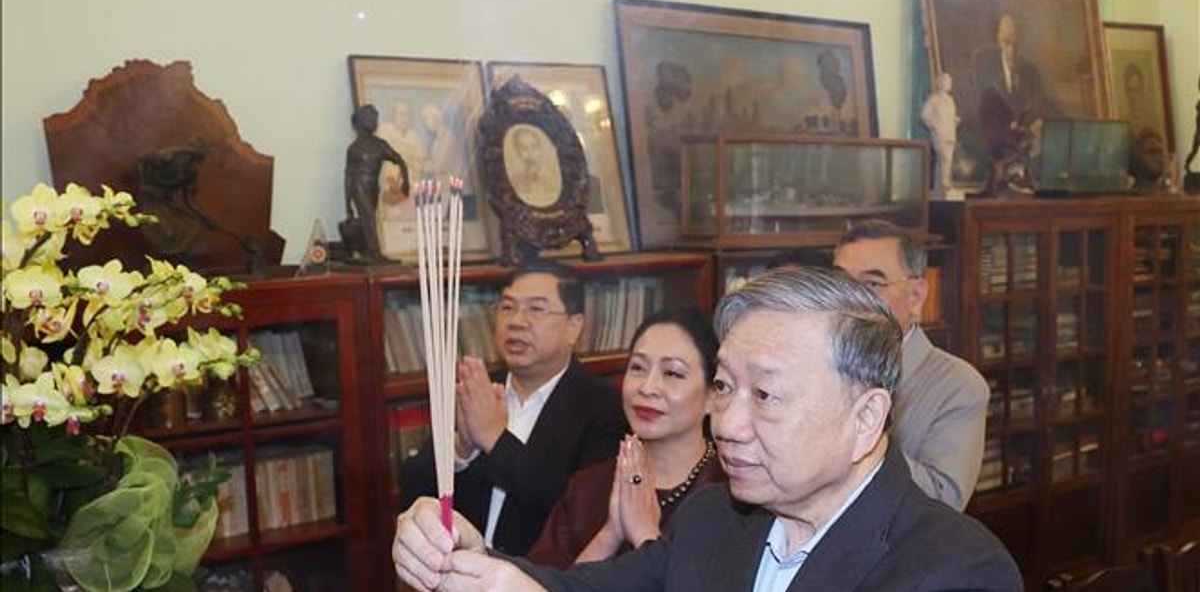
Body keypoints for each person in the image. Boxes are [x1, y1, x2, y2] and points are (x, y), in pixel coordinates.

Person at [393, 266, 1023, 592]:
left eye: (767, 395)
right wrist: (477, 565)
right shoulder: (715, 518)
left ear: (866, 420)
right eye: (723, 386)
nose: (729, 424)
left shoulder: (953, 569)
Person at [398, 260, 627, 557]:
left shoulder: (604, 408)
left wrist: (494, 439)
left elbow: (580, 512)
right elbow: (412, 486)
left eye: (536, 308)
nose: (517, 321)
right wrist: (461, 448)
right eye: (507, 307)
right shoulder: (479, 389)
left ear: (574, 327)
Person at [526, 308, 725, 568]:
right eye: (638, 368)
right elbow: (539, 583)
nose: (647, 387)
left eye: (672, 373)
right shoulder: (588, 487)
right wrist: (610, 534)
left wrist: (645, 537)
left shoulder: (732, 494)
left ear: (713, 395)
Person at [832, 218, 988, 511]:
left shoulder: (959, 386)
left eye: (872, 284)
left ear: (915, 296)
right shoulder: (813, 365)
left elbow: (943, 501)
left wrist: (858, 430)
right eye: (841, 283)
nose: (849, 299)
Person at [975, 14, 1061, 166]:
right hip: (995, 149)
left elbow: (1042, 104)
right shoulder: (985, 69)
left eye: (1016, 44)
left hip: (1025, 149)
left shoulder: (1031, 71)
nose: (1012, 50)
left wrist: (1041, 122)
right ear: (998, 41)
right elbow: (981, 112)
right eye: (1007, 42)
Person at [343, 104, 408, 261]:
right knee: (368, 218)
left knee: (370, 217)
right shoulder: (354, 148)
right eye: (370, 118)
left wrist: (406, 181)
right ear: (360, 122)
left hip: (372, 186)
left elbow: (399, 160)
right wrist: (347, 204)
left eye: (375, 118)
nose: (373, 121)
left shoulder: (380, 145)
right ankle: (374, 252)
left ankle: (368, 251)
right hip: (358, 185)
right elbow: (347, 176)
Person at [921, 72, 961, 195]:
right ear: (940, 83)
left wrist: (955, 120)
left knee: (945, 161)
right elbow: (924, 115)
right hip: (939, 135)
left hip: (950, 134)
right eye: (946, 81)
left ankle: (939, 188)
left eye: (949, 82)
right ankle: (944, 185)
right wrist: (934, 125)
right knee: (944, 158)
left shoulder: (950, 100)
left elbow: (951, 116)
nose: (949, 84)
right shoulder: (934, 99)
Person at [506, 125, 562, 207]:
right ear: (518, 152)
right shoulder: (518, 178)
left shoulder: (548, 175)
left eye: (534, 147)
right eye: (524, 149)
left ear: (540, 148)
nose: (530, 153)